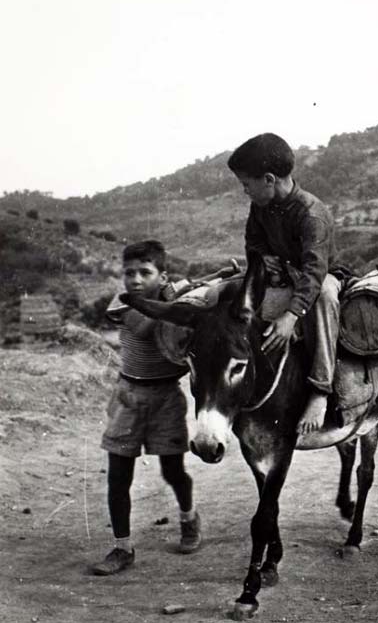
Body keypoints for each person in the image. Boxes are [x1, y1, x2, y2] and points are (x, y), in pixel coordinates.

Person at [91, 240, 201, 576]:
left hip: (167, 397)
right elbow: (146, 323)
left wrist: (194, 288)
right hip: (129, 397)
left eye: (144, 272)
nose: (135, 280)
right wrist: (179, 293)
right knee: (118, 476)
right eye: (129, 273)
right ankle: (122, 548)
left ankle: (189, 518)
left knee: (173, 471)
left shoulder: (174, 299)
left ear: (161, 274)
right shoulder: (122, 302)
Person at [228, 132, 340, 436]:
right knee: (228, 292)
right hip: (281, 278)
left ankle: (320, 390)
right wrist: (263, 259)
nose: (244, 191)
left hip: (314, 281)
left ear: (268, 179)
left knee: (326, 295)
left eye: (246, 184)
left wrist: (290, 317)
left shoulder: (312, 214)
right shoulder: (260, 207)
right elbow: (253, 242)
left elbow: (316, 271)